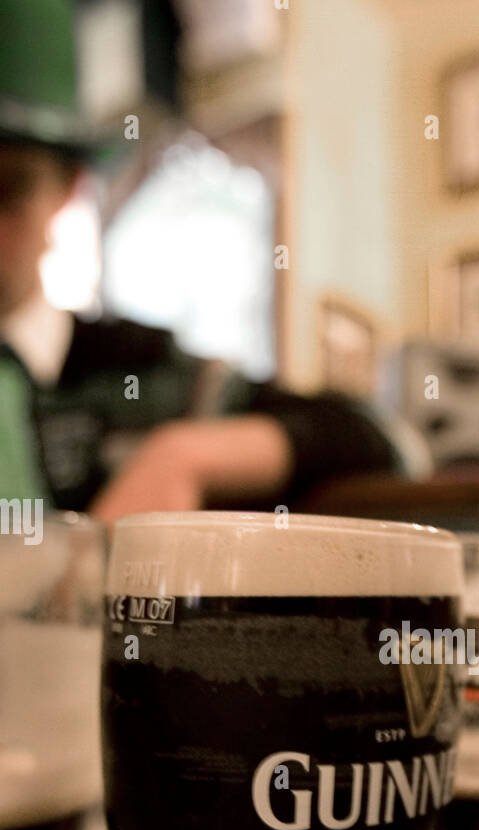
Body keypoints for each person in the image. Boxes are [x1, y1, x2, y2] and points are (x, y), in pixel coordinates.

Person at [0, 0, 416, 524]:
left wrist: (184, 455)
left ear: (68, 187)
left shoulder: (142, 369)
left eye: (7, 190)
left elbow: (380, 438)